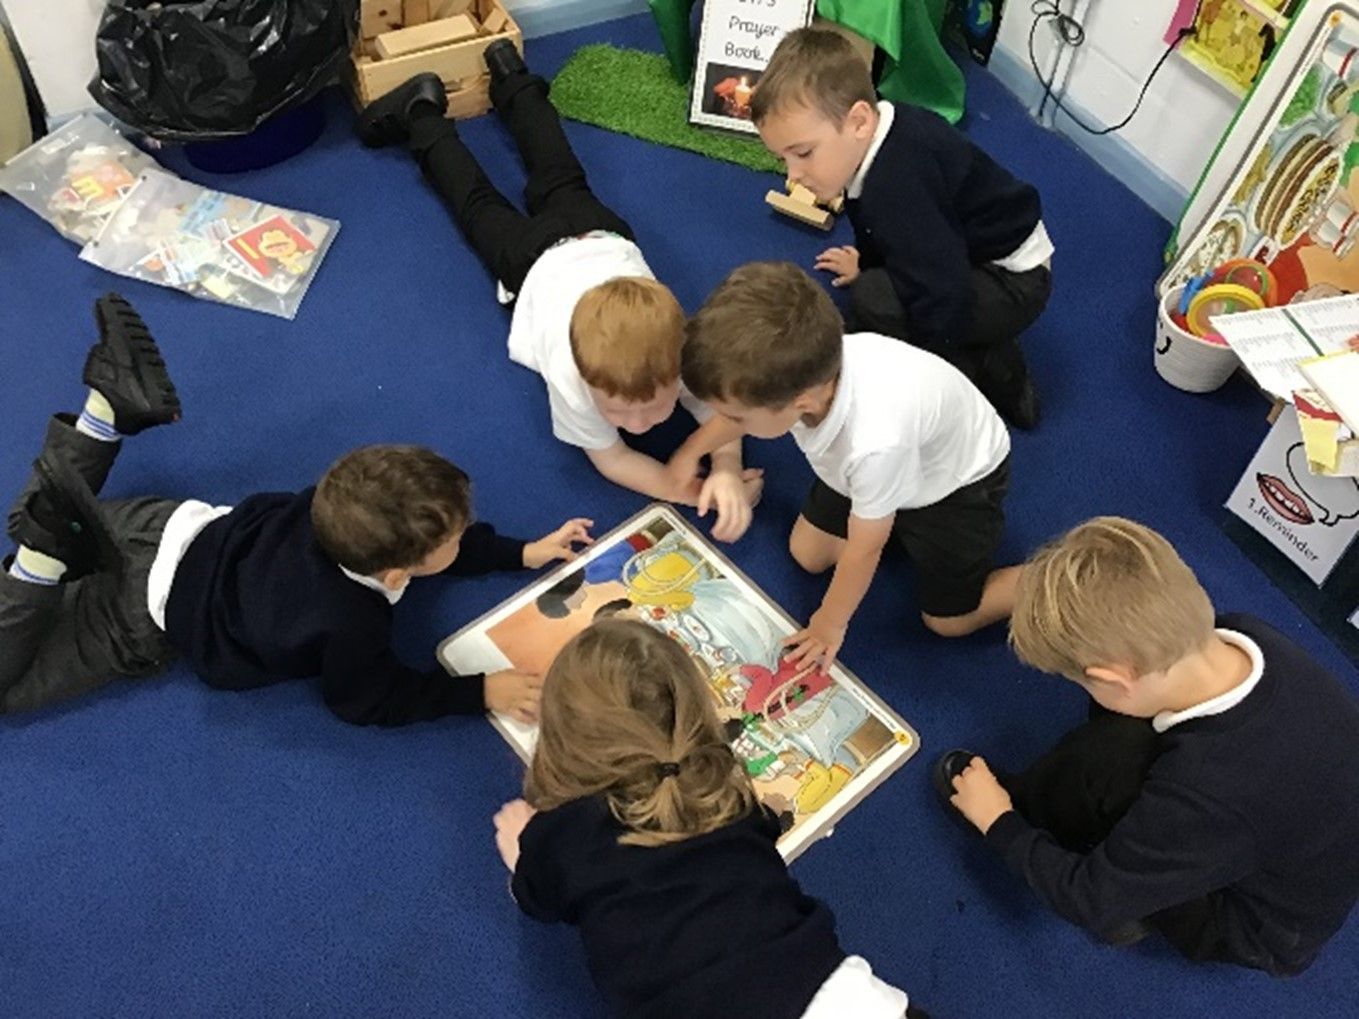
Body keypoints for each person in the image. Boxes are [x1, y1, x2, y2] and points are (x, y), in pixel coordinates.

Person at [1, 293, 585, 725]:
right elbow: (367, 699)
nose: (465, 540)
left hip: (161, 527)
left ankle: (102, 421)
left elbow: (426, 539)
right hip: (140, 611)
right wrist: (477, 692)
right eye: (455, 540)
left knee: (33, 528)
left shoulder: (332, 506)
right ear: (395, 576)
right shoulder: (352, 623)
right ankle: (44, 561)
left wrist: (522, 551)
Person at [357, 44, 759, 541]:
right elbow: (612, 460)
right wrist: (686, 488)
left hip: (601, 238)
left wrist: (722, 467)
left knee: (552, 169)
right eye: (616, 409)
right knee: (485, 200)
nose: (637, 424)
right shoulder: (575, 379)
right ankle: (448, 103)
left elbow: (723, 413)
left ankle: (487, 86)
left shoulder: (688, 356)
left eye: (653, 406)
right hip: (543, 258)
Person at [938, 517, 1359, 976]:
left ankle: (1139, 903)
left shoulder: (1203, 794)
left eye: (1079, 681)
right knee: (1113, 745)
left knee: (1099, 768)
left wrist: (998, 822)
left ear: (1113, 678)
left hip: (1253, 924)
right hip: (1301, 838)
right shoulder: (1245, 636)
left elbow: (1089, 899)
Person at [492, 619, 919, 1018]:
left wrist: (522, 856)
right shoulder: (728, 796)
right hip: (831, 992)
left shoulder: (561, 837)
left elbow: (538, 901)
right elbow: (763, 833)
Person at [674, 261, 1017, 671]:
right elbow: (739, 412)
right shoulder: (812, 372)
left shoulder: (873, 442)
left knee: (949, 621)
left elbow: (866, 545)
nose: (726, 424)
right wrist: (691, 452)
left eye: (736, 418)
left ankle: (1046, 580)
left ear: (800, 404)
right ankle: (885, 517)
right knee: (808, 554)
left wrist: (828, 623)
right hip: (878, 470)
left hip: (954, 485)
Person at [750, 27, 1052, 429]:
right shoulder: (880, 135)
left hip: (1013, 282)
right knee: (878, 281)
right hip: (975, 253)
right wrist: (870, 261)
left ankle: (989, 366)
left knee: (875, 298)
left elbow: (942, 292)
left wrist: (926, 374)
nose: (793, 175)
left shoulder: (900, 186)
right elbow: (874, 220)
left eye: (803, 153)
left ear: (858, 121)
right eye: (784, 158)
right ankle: (981, 344)